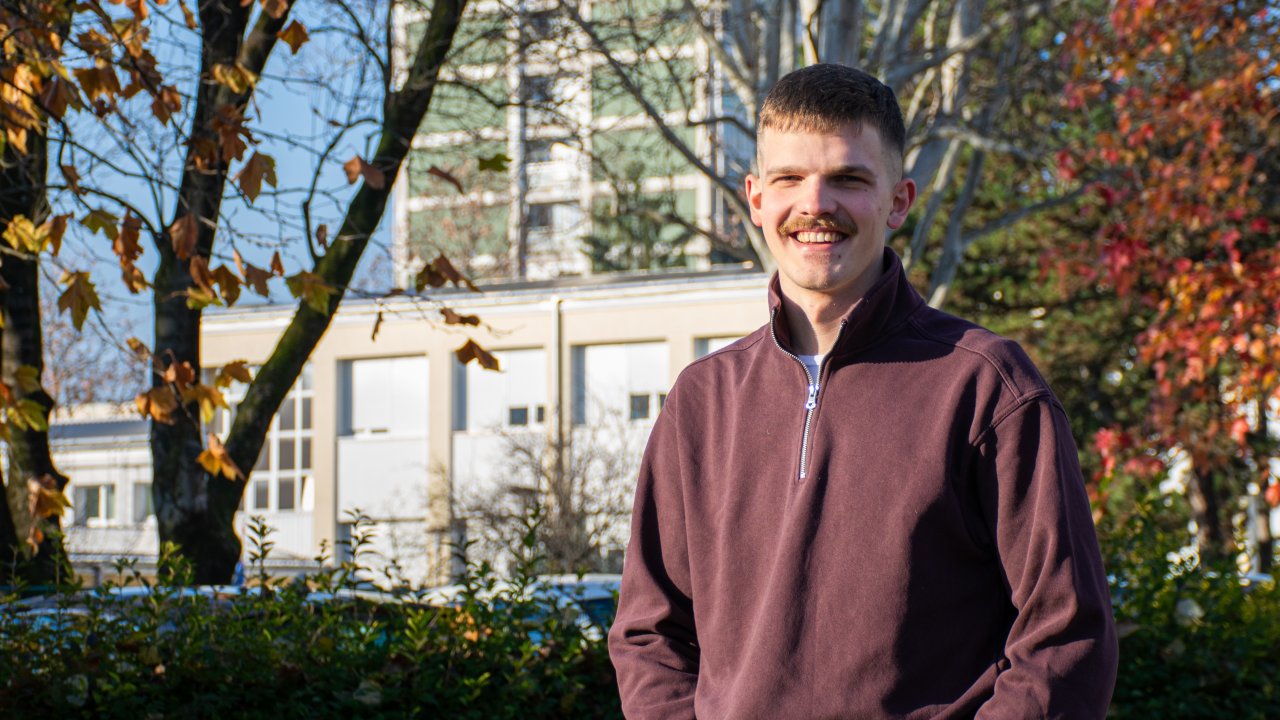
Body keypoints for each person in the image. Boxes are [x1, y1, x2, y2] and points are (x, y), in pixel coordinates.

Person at [607, 64, 1118, 719]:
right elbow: (650, 635)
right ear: (756, 198)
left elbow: (1066, 637)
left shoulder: (986, 387)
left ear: (898, 201)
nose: (816, 204)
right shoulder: (702, 401)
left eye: (848, 179)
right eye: (789, 178)